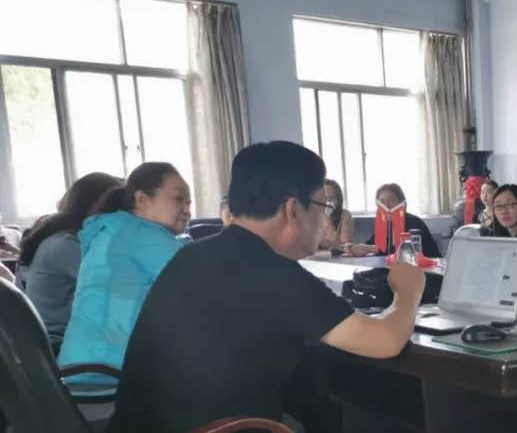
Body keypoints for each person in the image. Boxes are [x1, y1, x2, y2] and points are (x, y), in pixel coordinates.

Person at [106, 141, 426, 433]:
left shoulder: (192, 255)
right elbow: (386, 341)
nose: (326, 219)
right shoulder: (272, 273)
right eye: (323, 206)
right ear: (293, 210)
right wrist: (408, 289)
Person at [58, 163, 191, 384]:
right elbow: (200, 283)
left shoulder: (115, 229)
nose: (187, 210)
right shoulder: (141, 236)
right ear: (142, 200)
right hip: (107, 375)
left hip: (79, 370)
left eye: (189, 203)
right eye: (178, 199)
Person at [19, 172, 122, 347]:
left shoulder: (65, 239)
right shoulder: (66, 245)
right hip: (58, 345)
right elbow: (119, 287)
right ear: (94, 206)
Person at [343, 183, 441, 259]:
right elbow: (370, 243)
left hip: (425, 273)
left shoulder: (413, 222)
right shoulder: (385, 224)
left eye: (392, 200)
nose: (386, 205)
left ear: (402, 203)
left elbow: (404, 251)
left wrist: (371, 249)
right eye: (382, 202)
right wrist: (354, 247)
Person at [318, 180, 354, 250]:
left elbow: (346, 245)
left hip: (338, 255)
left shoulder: (345, 215)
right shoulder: (314, 216)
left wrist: (328, 219)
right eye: (325, 197)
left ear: (338, 199)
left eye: (332, 197)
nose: (328, 201)